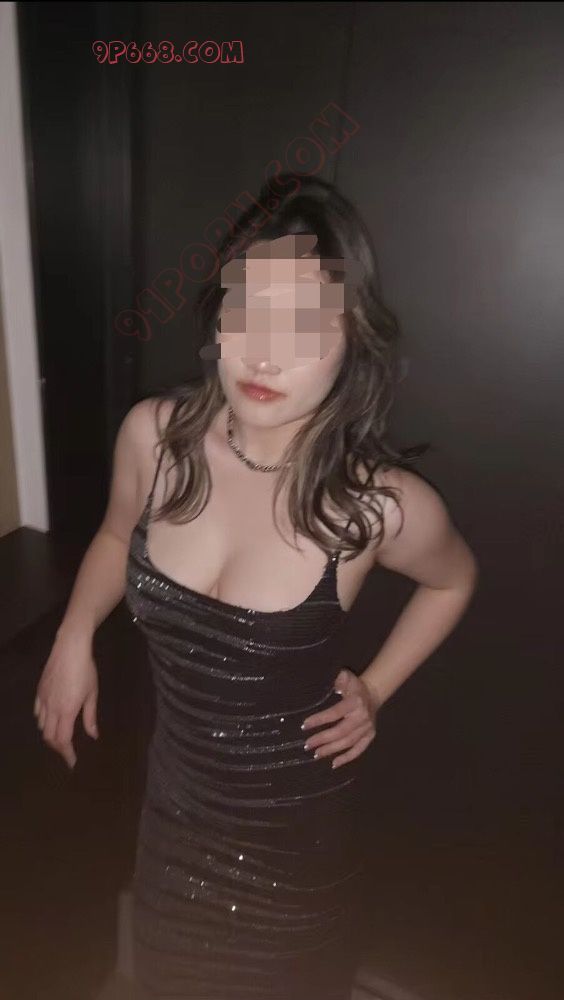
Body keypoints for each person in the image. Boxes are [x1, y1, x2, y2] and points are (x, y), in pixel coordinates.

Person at [34, 174, 479, 999]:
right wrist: (73, 636)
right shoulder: (155, 438)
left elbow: (454, 582)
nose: (266, 354)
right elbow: (114, 535)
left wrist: (376, 690)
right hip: (171, 827)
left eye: (306, 325)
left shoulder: (375, 506)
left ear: (353, 343)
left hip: (292, 861)